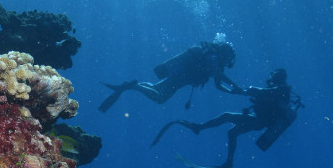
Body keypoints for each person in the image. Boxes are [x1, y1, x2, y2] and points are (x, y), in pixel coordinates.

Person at [150, 67, 300, 168]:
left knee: (227, 116)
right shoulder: (279, 90)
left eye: (273, 75)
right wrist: (249, 101)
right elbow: (264, 100)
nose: (270, 77)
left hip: (261, 121)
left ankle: (199, 128)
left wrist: (251, 91)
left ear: (278, 77)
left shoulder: (282, 89)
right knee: (232, 132)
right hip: (259, 119)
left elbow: (263, 93)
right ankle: (228, 163)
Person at [98, 34, 237, 112]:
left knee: (155, 88)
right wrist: (235, 86)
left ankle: (134, 85)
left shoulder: (214, 60)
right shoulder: (213, 58)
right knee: (160, 98)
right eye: (229, 58)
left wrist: (234, 91)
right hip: (180, 77)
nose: (228, 61)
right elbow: (217, 74)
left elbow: (219, 85)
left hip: (179, 74)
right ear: (224, 54)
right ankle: (134, 86)